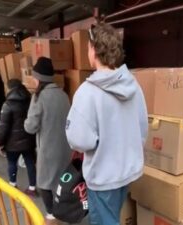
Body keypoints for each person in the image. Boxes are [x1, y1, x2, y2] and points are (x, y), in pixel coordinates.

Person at [65, 23, 148, 225]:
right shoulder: (133, 85)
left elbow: (80, 141)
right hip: (127, 171)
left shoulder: (87, 92)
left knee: (104, 221)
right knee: (112, 217)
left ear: (94, 50)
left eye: (87, 48)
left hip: (103, 175)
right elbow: (142, 129)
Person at [24, 57, 72, 225]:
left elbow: (30, 127)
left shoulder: (38, 97)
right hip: (65, 148)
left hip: (48, 149)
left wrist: (26, 121)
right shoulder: (64, 95)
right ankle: (64, 212)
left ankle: (52, 215)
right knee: (61, 182)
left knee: (44, 183)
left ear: (38, 79)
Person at [0, 79, 37, 195]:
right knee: (30, 163)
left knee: (12, 163)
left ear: (9, 88)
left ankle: (13, 185)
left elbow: (3, 127)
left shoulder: (7, 104)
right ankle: (32, 188)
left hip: (12, 143)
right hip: (29, 140)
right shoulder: (30, 100)